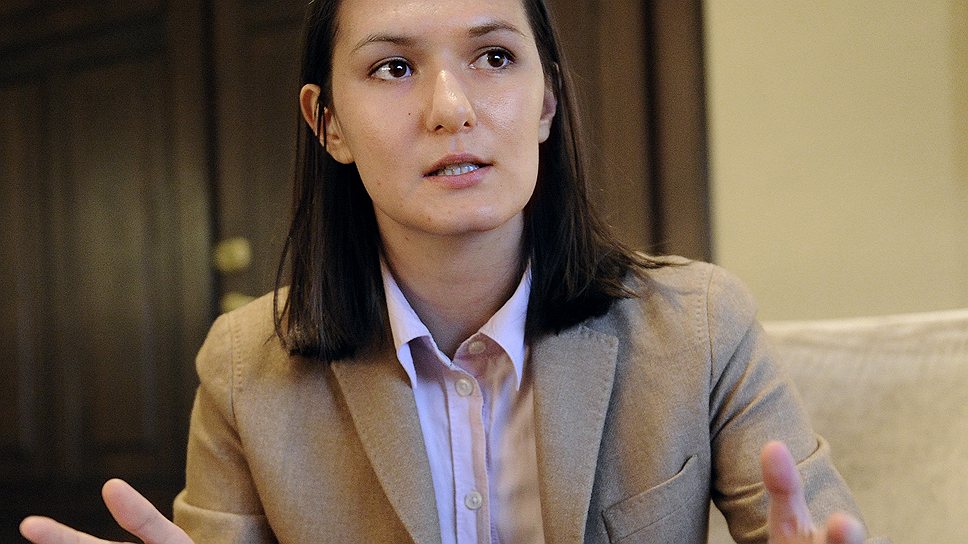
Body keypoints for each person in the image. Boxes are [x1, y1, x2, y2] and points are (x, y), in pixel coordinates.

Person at [20, 0, 878, 542]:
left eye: (494, 57)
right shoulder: (244, 368)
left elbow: (814, 526)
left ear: (546, 101)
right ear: (328, 125)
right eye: (393, 67)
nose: (451, 108)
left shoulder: (701, 324)